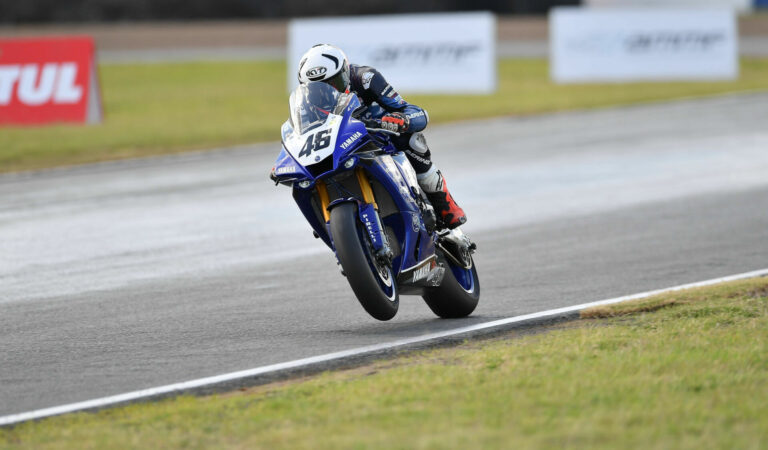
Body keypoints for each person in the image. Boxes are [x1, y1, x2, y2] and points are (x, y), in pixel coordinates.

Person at [295, 44, 467, 230]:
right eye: (319, 88)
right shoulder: (304, 102)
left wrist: (402, 119)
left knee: (410, 140)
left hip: (380, 136)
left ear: (346, 72)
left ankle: (444, 202)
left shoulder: (365, 78)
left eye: (334, 83)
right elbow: (299, 133)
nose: (329, 92)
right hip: (341, 145)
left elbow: (416, 112)